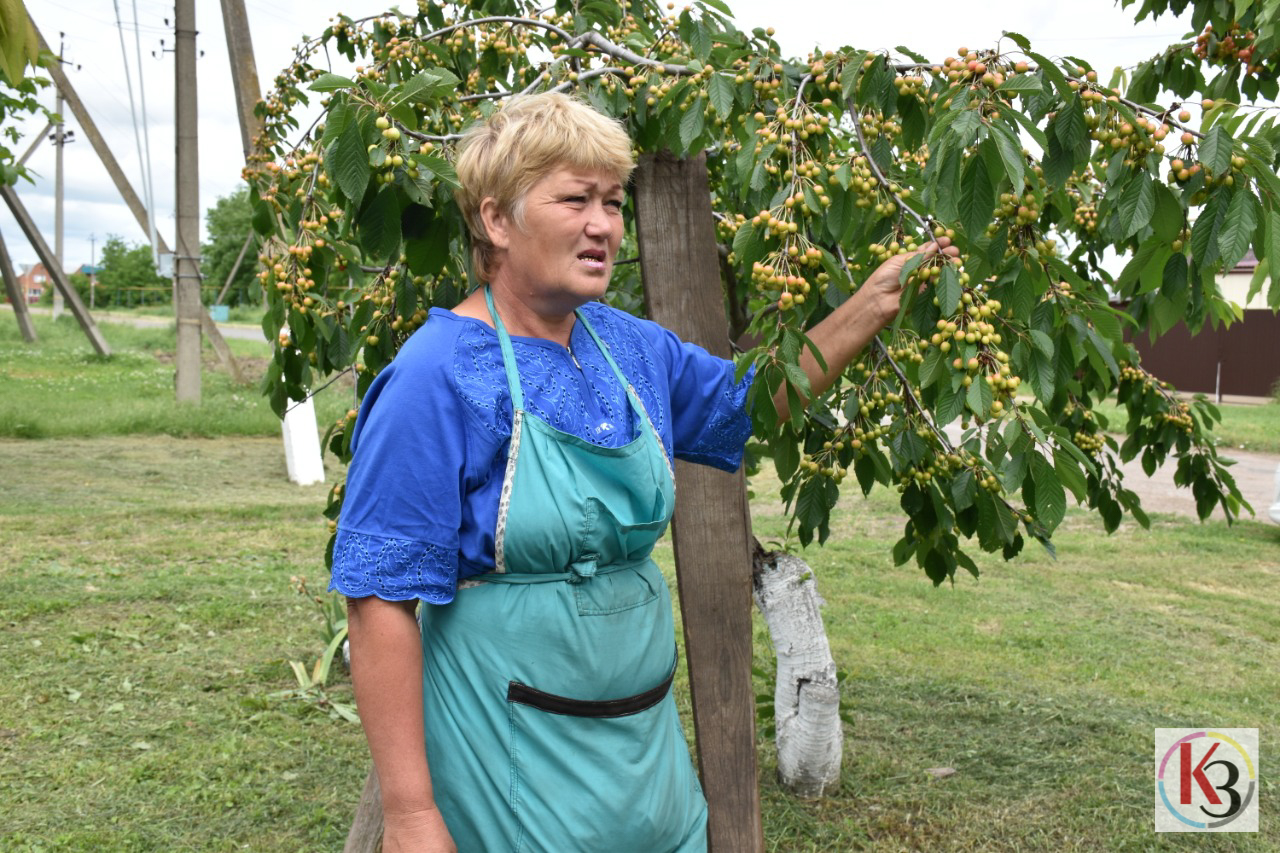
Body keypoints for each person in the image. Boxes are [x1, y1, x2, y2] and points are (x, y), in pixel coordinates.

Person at [330, 92, 956, 852]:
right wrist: (411, 814)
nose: (603, 225)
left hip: (642, 755)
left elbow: (738, 407)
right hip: (508, 760)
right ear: (496, 220)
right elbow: (378, 600)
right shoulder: (436, 376)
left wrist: (866, 307)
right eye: (575, 199)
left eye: (613, 202)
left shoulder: (631, 349)